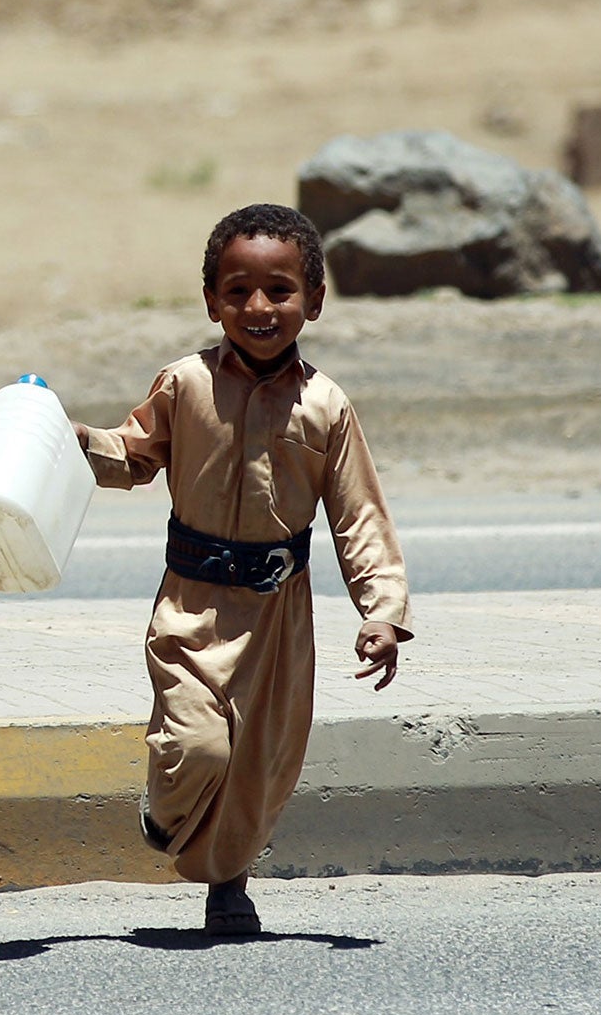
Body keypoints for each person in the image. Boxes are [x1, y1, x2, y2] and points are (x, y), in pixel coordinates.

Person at [73, 204, 411, 936]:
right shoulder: (185, 384)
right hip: (192, 605)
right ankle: (166, 811)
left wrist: (381, 613)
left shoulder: (326, 406)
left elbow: (358, 518)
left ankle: (229, 885)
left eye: (280, 291)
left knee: (256, 766)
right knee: (197, 745)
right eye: (237, 292)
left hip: (279, 617)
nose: (258, 309)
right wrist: (74, 441)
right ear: (211, 301)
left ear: (313, 301)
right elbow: (132, 456)